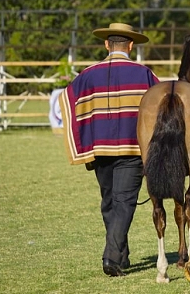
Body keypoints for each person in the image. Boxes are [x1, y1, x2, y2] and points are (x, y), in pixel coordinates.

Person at [58, 23, 159, 277]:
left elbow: (66, 100)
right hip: (132, 148)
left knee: (109, 203)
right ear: (131, 45)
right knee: (123, 203)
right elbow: (161, 109)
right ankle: (112, 258)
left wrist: (85, 139)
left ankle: (121, 256)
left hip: (100, 148)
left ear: (106, 44)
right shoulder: (145, 74)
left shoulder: (88, 74)